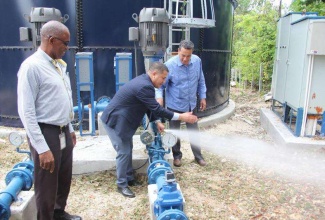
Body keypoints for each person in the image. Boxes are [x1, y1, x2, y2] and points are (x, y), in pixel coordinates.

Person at [100, 62, 198, 198]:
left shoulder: (145, 82)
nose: (164, 82)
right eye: (163, 78)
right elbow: (157, 108)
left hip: (123, 121)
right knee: (123, 152)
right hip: (115, 121)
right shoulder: (145, 86)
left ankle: (129, 178)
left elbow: (148, 106)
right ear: (154, 74)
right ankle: (121, 185)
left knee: (128, 148)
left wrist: (156, 121)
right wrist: (182, 117)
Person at [17, 20, 82, 220]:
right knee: (47, 182)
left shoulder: (58, 66)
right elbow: (26, 111)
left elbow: (62, 100)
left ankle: (58, 213)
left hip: (62, 130)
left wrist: (69, 127)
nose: (67, 48)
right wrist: (42, 148)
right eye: (65, 43)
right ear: (51, 40)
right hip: (46, 131)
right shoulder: (32, 67)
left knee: (63, 176)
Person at [156, 40, 207, 167]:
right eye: (183, 55)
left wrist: (203, 96)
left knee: (194, 131)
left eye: (188, 56)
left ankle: (198, 156)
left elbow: (201, 79)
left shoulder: (197, 61)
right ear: (178, 51)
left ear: (192, 53)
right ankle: (177, 156)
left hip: (191, 104)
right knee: (175, 132)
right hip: (175, 105)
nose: (185, 59)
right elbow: (160, 86)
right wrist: (159, 100)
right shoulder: (169, 66)